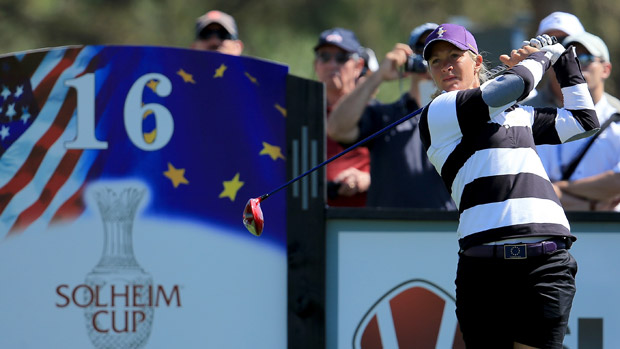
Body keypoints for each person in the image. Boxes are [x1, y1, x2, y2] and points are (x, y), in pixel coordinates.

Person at [419, 23, 599, 348]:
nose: (445, 65)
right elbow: (508, 89)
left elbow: (584, 120)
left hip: (545, 262)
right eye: (435, 61)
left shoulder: (519, 115)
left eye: (454, 55)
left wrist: (562, 59)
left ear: (476, 62)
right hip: (484, 267)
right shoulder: (438, 113)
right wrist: (543, 55)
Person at [327, 23, 456, 209]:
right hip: (390, 232)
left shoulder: (462, 114)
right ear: (409, 59)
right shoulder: (386, 117)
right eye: (423, 52)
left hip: (447, 232)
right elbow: (337, 129)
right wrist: (378, 75)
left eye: (444, 55)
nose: (431, 61)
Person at [542, 32, 620, 211]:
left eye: (586, 58)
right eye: (571, 59)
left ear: (606, 69)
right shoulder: (545, 120)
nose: (577, 65)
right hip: (556, 232)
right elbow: (536, 188)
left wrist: (560, 188)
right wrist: (593, 205)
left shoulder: (617, 120)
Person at [313, 28, 371, 207]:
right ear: (316, 65)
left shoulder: (374, 113)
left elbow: (399, 171)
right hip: (311, 217)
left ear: (358, 66)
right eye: (325, 57)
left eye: (341, 58)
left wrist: (366, 179)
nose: (332, 64)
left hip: (360, 219)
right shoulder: (304, 113)